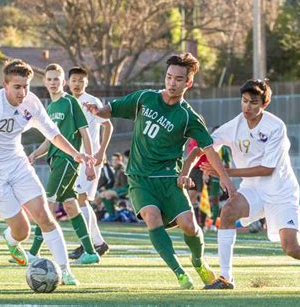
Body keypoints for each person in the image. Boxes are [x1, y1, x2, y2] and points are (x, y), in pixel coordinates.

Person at [189, 79, 300, 291]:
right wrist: (183, 170)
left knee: (292, 248)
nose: (247, 107)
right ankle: (226, 277)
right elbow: (205, 146)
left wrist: (226, 173)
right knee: (228, 212)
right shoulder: (234, 125)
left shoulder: (275, 127)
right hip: (253, 190)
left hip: (281, 192)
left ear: (264, 104)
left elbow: (267, 169)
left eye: (253, 102)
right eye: (244, 101)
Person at [85, 53, 235, 289]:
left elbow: (209, 149)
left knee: (190, 225)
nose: (171, 83)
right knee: (151, 216)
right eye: (168, 77)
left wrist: (225, 178)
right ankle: (180, 274)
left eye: (178, 79)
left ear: (188, 83)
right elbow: (111, 109)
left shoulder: (188, 117)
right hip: (140, 178)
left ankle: (198, 262)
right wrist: (97, 111)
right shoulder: (145, 98)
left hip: (168, 178)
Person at [0, 59, 93, 285]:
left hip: (17, 163)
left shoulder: (31, 104)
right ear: (5, 85)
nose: (22, 92)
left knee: (45, 216)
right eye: (17, 87)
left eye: (26, 86)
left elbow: (54, 135)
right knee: (22, 231)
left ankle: (64, 271)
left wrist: (75, 154)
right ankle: (11, 239)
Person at [26, 63, 100, 265]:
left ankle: (33, 252)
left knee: (46, 204)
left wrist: (90, 163)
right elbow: (50, 139)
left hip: (67, 161)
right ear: (44, 82)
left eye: (56, 79)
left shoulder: (70, 103)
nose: (52, 83)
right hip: (55, 160)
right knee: (70, 205)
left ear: (63, 82)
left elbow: (85, 133)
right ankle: (91, 252)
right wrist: (35, 154)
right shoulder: (50, 107)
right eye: (49, 79)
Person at [66, 66, 113, 260]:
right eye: (74, 80)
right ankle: (98, 243)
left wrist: (101, 152)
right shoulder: (65, 101)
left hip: (90, 160)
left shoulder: (90, 102)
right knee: (78, 200)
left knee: (80, 199)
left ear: (86, 83)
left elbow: (108, 126)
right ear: (67, 82)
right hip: (74, 160)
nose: (77, 84)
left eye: (80, 80)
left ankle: (87, 244)